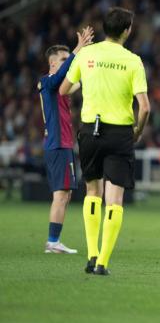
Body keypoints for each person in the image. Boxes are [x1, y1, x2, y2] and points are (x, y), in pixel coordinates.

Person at [59, 7, 150, 276]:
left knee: (92, 193)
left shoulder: (87, 54)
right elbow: (144, 107)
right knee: (115, 199)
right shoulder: (133, 60)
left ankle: (91, 255)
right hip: (120, 133)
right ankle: (103, 263)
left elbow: (64, 90)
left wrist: (87, 82)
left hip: (90, 131)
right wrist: (138, 131)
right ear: (127, 30)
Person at [38, 27, 94, 254]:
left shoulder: (59, 87)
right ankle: (52, 242)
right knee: (61, 195)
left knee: (66, 194)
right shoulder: (46, 81)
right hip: (57, 145)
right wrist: (78, 49)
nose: (67, 62)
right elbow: (63, 78)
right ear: (52, 64)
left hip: (64, 145)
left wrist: (88, 58)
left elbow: (78, 81)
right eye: (63, 59)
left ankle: (55, 240)